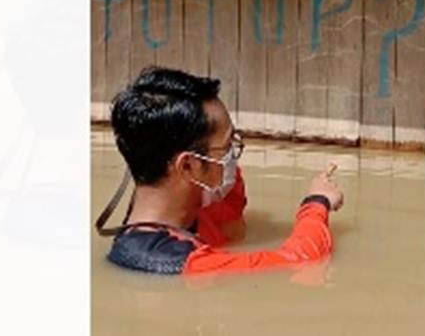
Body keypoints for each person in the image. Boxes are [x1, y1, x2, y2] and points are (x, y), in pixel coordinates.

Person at [95, 67, 344, 275]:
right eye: (226, 148)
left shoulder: (169, 205)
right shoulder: (184, 263)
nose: (233, 157)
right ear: (188, 166)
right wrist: (317, 202)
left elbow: (231, 214)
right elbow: (301, 260)